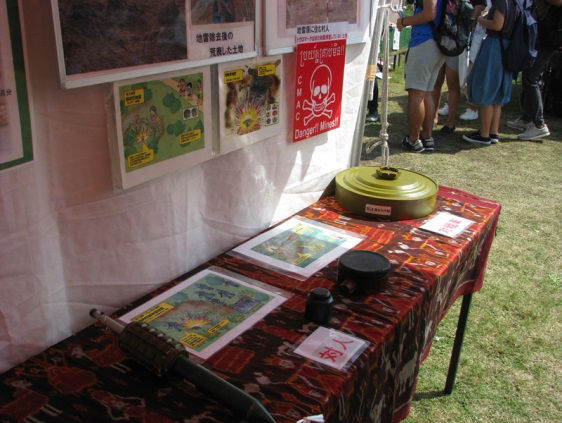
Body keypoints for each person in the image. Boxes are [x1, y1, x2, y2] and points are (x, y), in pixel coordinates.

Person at [463, 0, 517, 145]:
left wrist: (481, 19)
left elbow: (497, 25)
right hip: (505, 47)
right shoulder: (513, 3)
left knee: (486, 88)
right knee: (497, 94)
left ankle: (485, 134)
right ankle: (493, 132)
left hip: (494, 46)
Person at [507, 0, 562, 140]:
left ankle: (539, 124)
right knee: (528, 73)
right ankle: (527, 118)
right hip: (542, 33)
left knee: (531, 78)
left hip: (550, 37)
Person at [397, 0, 446, 153]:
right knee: (426, 92)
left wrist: (404, 21)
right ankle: (427, 136)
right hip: (439, 42)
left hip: (425, 41)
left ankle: (413, 139)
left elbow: (429, 13)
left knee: (417, 93)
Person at [433, 51, 468, 133]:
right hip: (439, 46)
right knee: (436, 83)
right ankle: (433, 118)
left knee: (453, 85)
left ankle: (450, 122)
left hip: (455, 48)